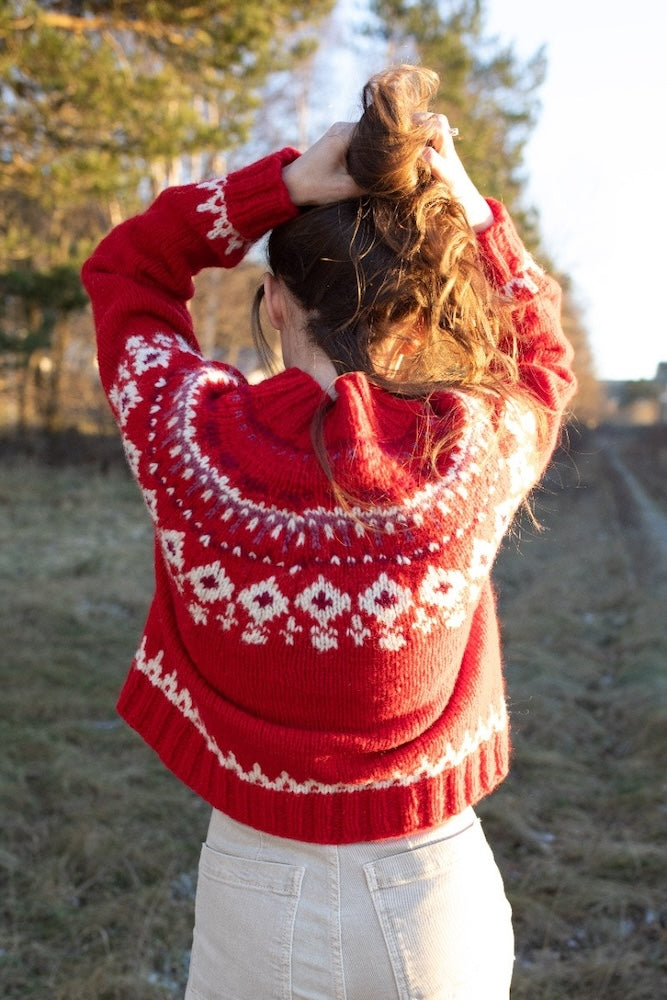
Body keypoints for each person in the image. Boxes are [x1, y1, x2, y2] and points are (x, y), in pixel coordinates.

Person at [82, 65, 576, 1000]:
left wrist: (278, 187)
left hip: (251, 886)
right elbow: (543, 356)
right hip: (436, 895)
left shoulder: (186, 434)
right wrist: (473, 213)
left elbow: (127, 268)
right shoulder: (465, 455)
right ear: (416, 315)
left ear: (274, 302)